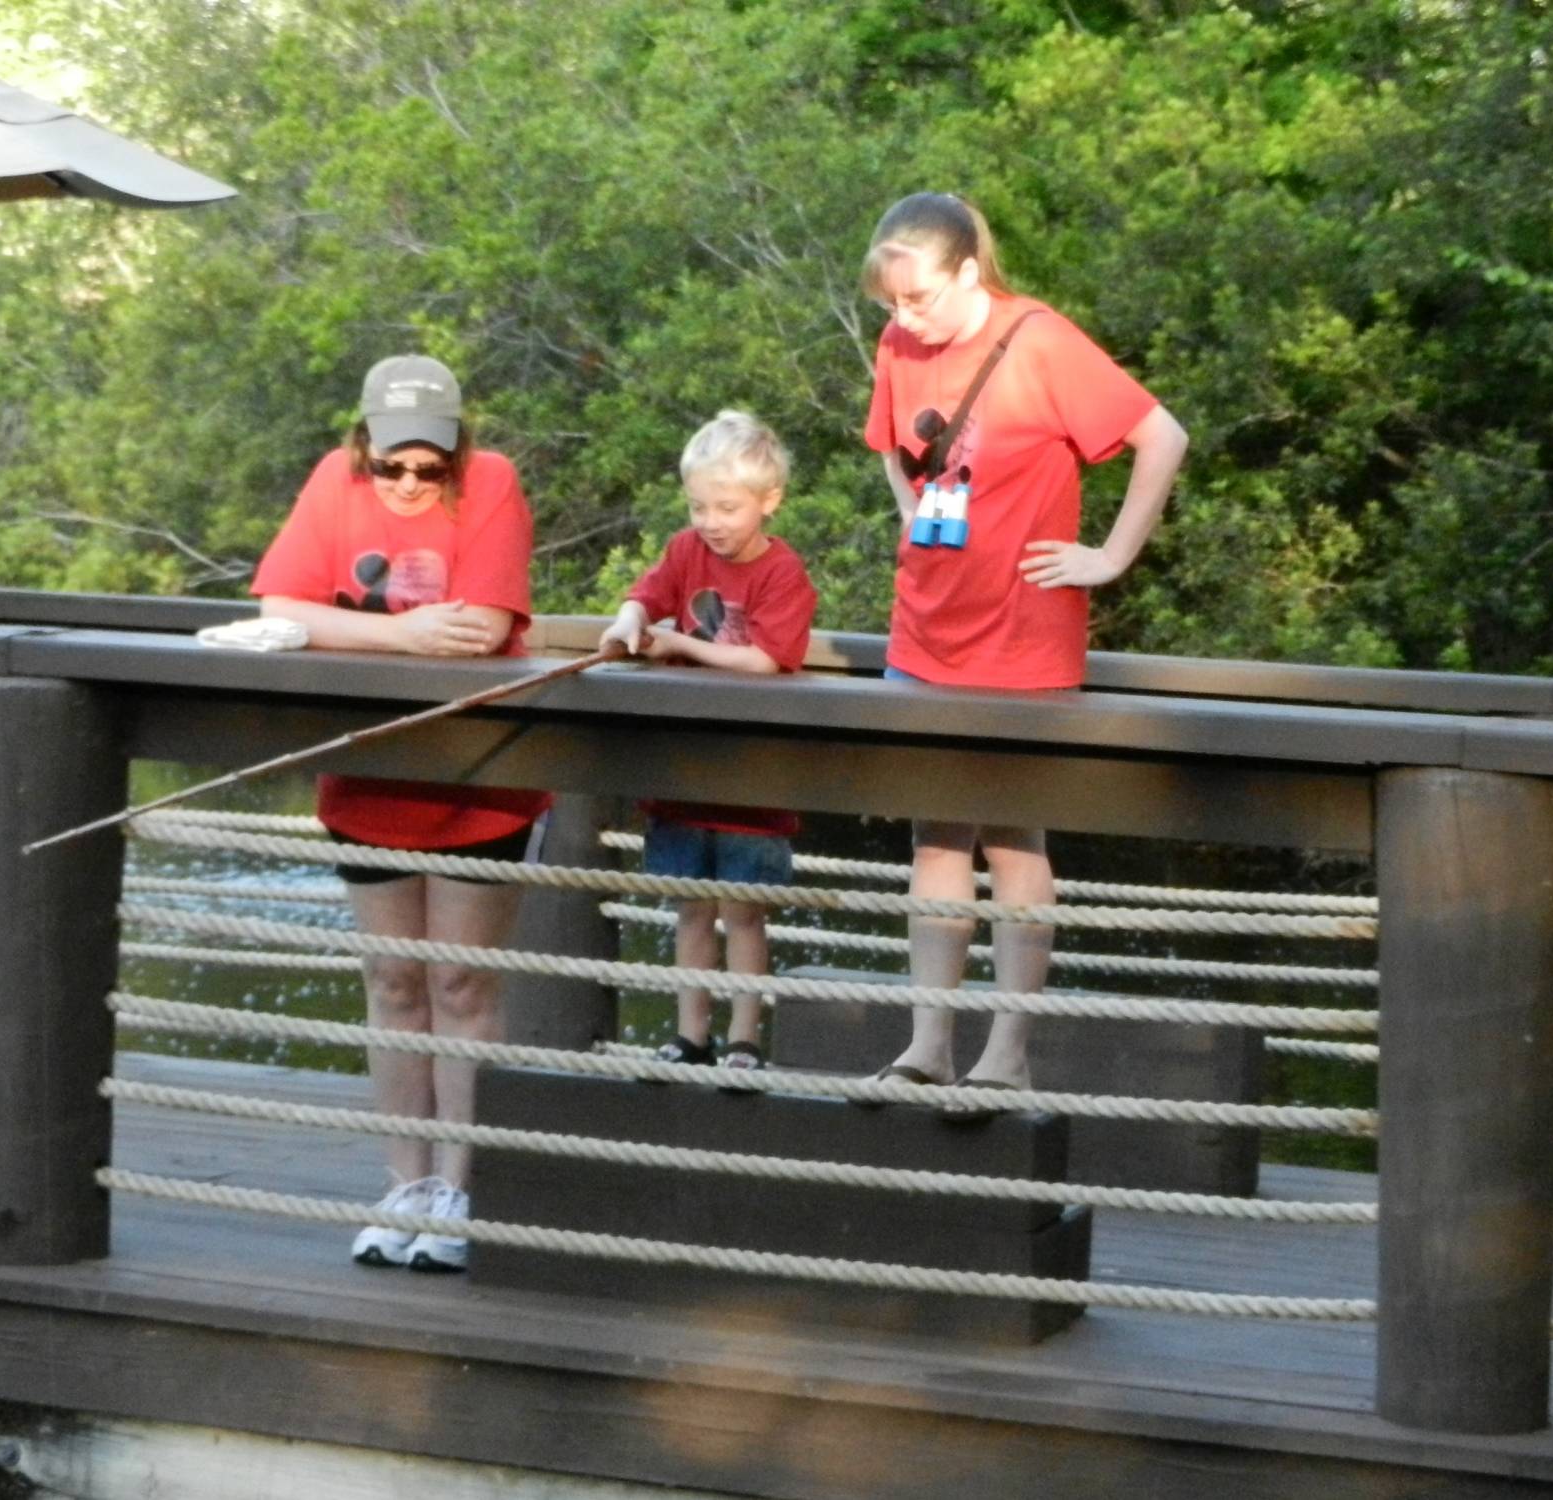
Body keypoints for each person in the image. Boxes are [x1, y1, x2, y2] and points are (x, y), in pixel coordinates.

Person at [860, 193, 1188, 1102]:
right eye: (890, 303)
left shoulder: (1038, 339)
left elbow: (1163, 434)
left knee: (1011, 835)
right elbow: (892, 442)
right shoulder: (898, 345)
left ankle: (1007, 1052)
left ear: (968, 272)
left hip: (1023, 630)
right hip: (924, 625)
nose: (904, 319)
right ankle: (926, 1044)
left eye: (919, 298)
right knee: (935, 833)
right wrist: (909, 515)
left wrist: (1109, 558)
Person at [252, 354, 546, 1271]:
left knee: (460, 985)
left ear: (459, 448)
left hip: (477, 772)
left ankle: (460, 1187)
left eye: (431, 464)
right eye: (394, 466)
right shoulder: (332, 486)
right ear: (363, 447)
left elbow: (486, 627)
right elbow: (278, 605)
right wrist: (401, 633)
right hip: (369, 775)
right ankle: (405, 1182)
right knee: (393, 984)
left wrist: (350, 624)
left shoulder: (492, 482)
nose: (413, 483)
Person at [598, 411, 818, 1073]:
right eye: (699, 506)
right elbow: (646, 596)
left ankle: (745, 1037)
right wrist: (629, 622)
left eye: (727, 507)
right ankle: (691, 1034)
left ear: (767, 501)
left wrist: (676, 641)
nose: (711, 521)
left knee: (744, 915)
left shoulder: (783, 573)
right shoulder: (684, 551)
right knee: (691, 910)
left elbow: (766, 659)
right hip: (685, 770)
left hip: (752, 773)